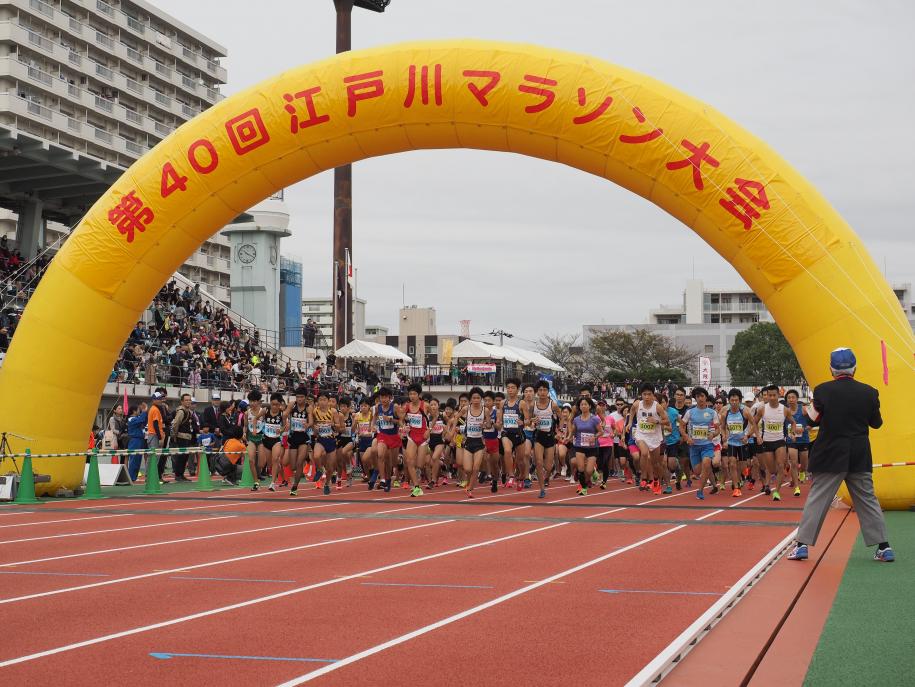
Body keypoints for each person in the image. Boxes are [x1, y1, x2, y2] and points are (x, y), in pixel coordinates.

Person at [788, 348, 894, 563]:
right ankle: (884, 547)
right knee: (867, 499)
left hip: (830, 453)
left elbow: (811, 420)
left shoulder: (823, 391)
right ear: (855, 368)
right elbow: (877, 423)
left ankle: (802, 546)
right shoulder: (870, 392)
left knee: (818, 500)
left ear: (831, 369)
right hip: (859, 454)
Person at [754, 385, 799, 501]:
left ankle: (777, 492)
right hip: (767, 442)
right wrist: (758, 436)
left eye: (774, 395)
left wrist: (793, 433)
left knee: (780, 466)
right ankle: (773, 481)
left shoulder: (784, 409)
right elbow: (754, 423)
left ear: (779, 395)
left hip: (780, 441)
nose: (772, 397)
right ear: (767, 396)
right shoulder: (762, 409)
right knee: (772, 469)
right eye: (770, 395)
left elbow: (793, 423)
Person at [680, 387, 720, 500]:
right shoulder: (690, 412)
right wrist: (686, 437)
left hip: (707, 445)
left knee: (707, 463)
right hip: (694, 446)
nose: (700, 398)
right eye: (698, 397)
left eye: (702, 396)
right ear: (695, 398)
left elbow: (718, 430)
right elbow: (681, 427)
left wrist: (713, 434)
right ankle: (713, 482)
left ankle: (700, 491)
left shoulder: (712, 413)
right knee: (698, 471)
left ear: (706, 397)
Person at [169, 393, 196, 482]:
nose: (188, 402)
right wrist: (174, 436)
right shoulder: (181, 411)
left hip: (187, 437)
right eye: (186, 400)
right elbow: (175, 424)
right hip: (181, 437)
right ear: (182, 401)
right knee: (181, 457)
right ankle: (178, 475)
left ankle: (181, 474)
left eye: (189, 400)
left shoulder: (188, 411)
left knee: (185, 457)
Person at [125, 403, 148, 482]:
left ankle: (133, 477)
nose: (140, 411)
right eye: (139, 410)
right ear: (134, 411)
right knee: (134, 459)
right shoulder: (131, 419)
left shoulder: (136, 418)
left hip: (139, 439)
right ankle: (131, 477)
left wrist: (144, 412)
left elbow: (143, 420)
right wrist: (144, 411)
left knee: (138, 459)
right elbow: (141, 419)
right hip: (134, 440)